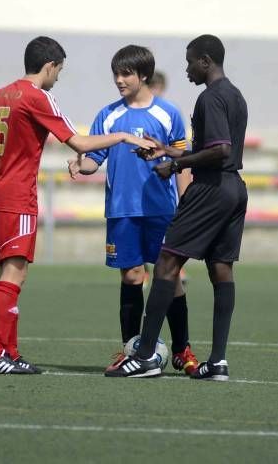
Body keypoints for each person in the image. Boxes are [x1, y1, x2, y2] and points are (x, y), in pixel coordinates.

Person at [0, 36, 154, 375]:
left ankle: (9, 351)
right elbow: (78, 142)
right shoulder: (39, 97)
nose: (57, 78)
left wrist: (1, 159)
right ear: (49, 66)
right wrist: (124, 137)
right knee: (14, 273)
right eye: (59, 71)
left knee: (12, 271)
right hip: (17, 197)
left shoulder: (1, 94)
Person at [105, 34, 248, 381]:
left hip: (211, 188)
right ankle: (217, 362)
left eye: (189, 61)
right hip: (234, 189)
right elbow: (220, 150)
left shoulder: (210, 98)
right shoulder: (236, 96)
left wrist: (176, 167)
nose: (186, 69)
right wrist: (167, 151)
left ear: (205, 61)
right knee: (221, 270)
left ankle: (142, 354)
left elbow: (220, 150)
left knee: (167, 263)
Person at [67, 45, 198, 375]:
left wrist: (185, 205)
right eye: (116, 73)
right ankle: (131, 349)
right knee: (132, 276)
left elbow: (182, 162)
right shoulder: (108, 115)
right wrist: (78, 163)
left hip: (161, 210)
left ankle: (182, 348)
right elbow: (92, 161)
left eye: (125, 74)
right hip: (122, 210)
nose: (119, 80)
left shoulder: (168, 113)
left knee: (169, 278)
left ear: (143, 76)